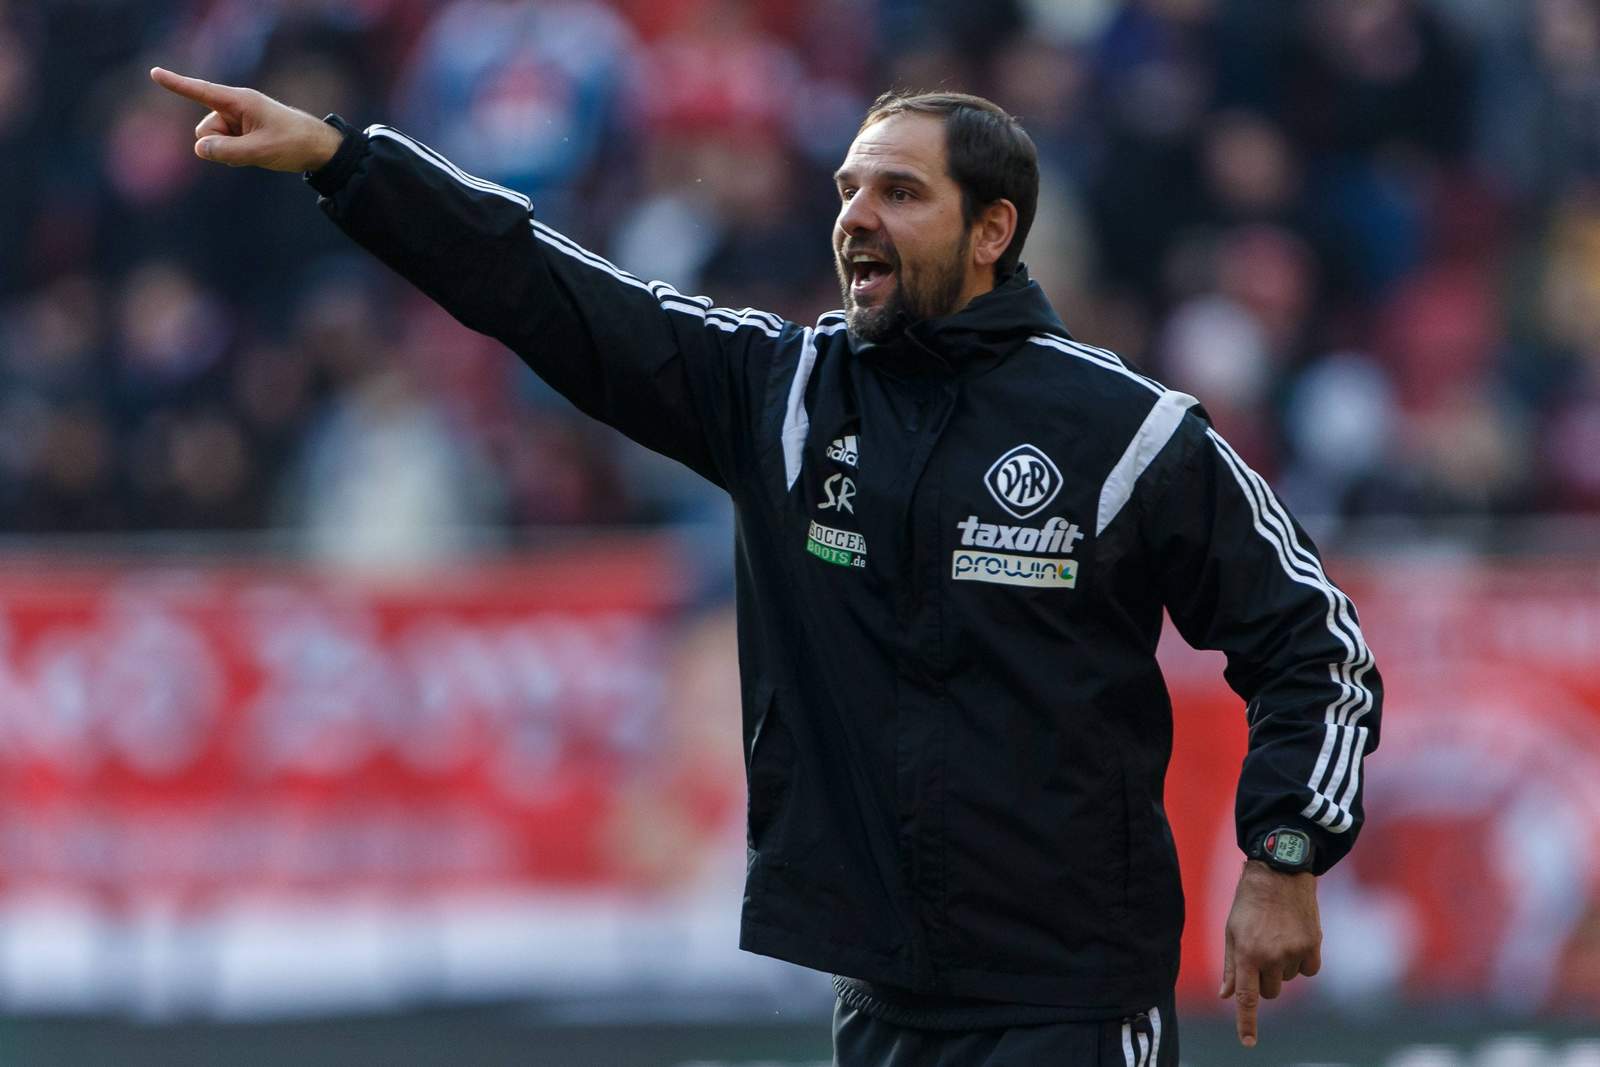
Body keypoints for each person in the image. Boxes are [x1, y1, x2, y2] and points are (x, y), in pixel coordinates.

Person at [150, 66, 1381, 1066]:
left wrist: (1285, 850)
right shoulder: (781, 394)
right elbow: (542, 285)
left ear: (992, 229)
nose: (855, 216)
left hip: (1070, 1003)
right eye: (848, 188)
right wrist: (344, 161)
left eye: (899, 191)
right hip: (880, 998)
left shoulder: (1130, 430)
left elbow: (1314, 642)